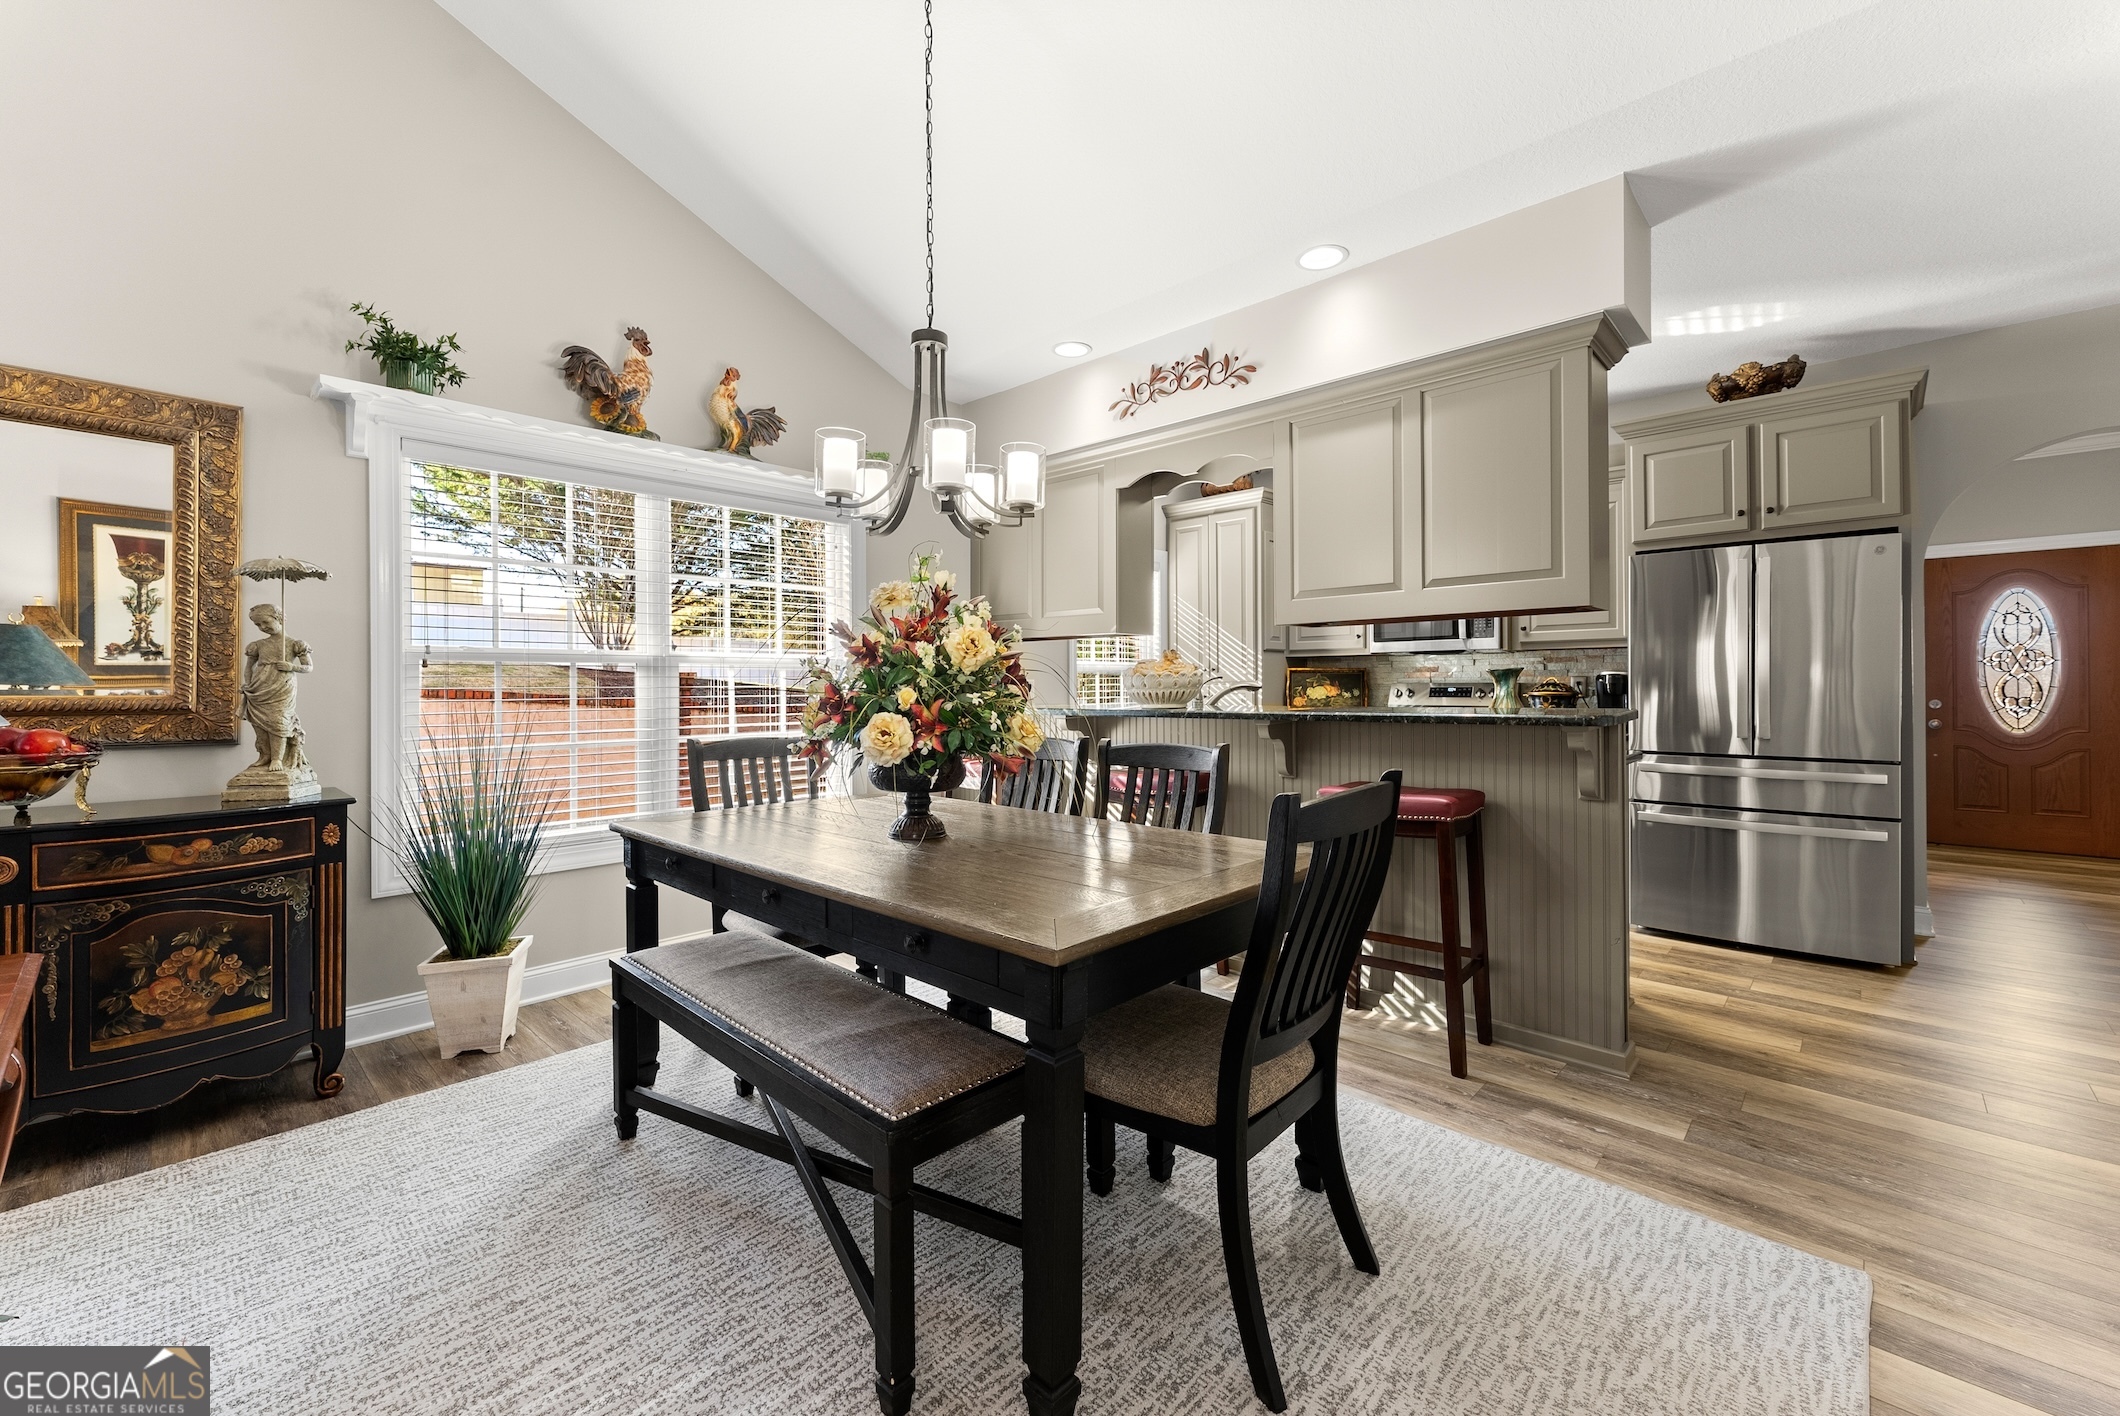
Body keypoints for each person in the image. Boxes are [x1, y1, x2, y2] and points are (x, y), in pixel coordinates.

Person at [238, 602, 312, 773]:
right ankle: (265, 755)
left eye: (265, 622)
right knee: (258, 722)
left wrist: (291, 667)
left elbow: (308, 667)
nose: (262, 627)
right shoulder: (258, 645)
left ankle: (277, 758)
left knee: (278, 721)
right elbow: (249, 667)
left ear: (278, 618)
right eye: (257, 624)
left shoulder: (295, 644)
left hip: (282, 686)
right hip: (259, 686)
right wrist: (248, 684)